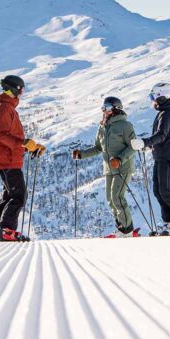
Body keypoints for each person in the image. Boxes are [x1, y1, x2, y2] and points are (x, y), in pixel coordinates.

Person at [73, 97, 140, 238]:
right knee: (110, 199)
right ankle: (122, 227)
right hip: (109, 169)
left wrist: (120, 159)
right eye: (103, 108)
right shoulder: (102, 127)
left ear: (116, 109)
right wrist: (81, 154)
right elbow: (98, 148)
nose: (104, 110)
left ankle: (126, 231)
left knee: (117, 197)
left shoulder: (125, 126)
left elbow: (133, 146)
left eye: (107, 107)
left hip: (123, 167)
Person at [0, 74, 45, 242]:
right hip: (7, 159)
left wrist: (29, 148)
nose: (22, 93)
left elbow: (10, 138)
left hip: (8, 157)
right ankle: (6, 230)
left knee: (9, 195)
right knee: (19, 195)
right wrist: (24, 143)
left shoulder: (7, 107)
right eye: (21, 89)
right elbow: (2, 135)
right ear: (13, 89)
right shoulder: (4, 108)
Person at [131, 82, 170, 235]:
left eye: (154, 97)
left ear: (162, 97)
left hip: (168, 158)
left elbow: (161, 135)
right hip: (161, 157)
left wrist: (145, 142)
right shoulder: (164, 113)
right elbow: (163, 138)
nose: (152, 101)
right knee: (158, 191)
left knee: (166, 191)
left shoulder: (168, 114)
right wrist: (148, 145)